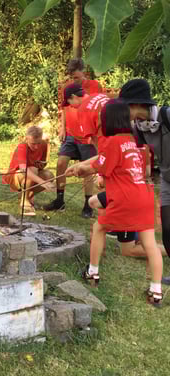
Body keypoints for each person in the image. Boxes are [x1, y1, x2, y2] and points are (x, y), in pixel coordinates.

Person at [66, 100, 163, 307]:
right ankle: (156, 292)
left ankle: (92, 273)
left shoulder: (111, 142)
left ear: (108, 119)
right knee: (150, 244)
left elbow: (101, 167)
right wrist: (91, 169)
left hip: (126, 198)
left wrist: (81, 169)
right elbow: (121, 168)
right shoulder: (134, 141)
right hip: (144, 195)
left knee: (99, 227)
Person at [118, 79, 170, 285]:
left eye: (125, 107)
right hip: (167, 178)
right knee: (167, 229)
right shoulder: (139, 128)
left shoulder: (167, 116)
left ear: (137, 104)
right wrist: (87, 165)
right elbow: (121, 147)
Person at [44, 59, 102, 218]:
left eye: (76, 77)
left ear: (84, 72)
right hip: (71, 134)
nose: (74, 80)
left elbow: (98, 109)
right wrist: (62, 127)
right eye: (72, 77)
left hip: (87, 136)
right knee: (61, 163)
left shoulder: (95, 86)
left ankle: (87, 205)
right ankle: (59, 200)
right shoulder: (67, 87)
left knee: (87, 169)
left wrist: (93, 136)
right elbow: (64, 108)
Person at [88, 191, 167, 258]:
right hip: (130, 193)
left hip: (128, 199)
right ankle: (134, 235)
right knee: (93, 202)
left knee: (128, 251)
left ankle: (167, 250)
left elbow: (100, 182)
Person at [3, 126, 55, 216]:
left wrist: (41, 165)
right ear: (27, 139)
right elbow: (24, 169)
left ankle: (26, 196)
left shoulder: (44, 144)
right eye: (33, 144)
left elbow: (40, 164)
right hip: (15, 177)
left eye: (38, 143)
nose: (36, 146)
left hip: (31, 174)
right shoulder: (22, 147)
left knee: (49, 175)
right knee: (32, 170)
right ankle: (25, 200)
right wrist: (42, 182)